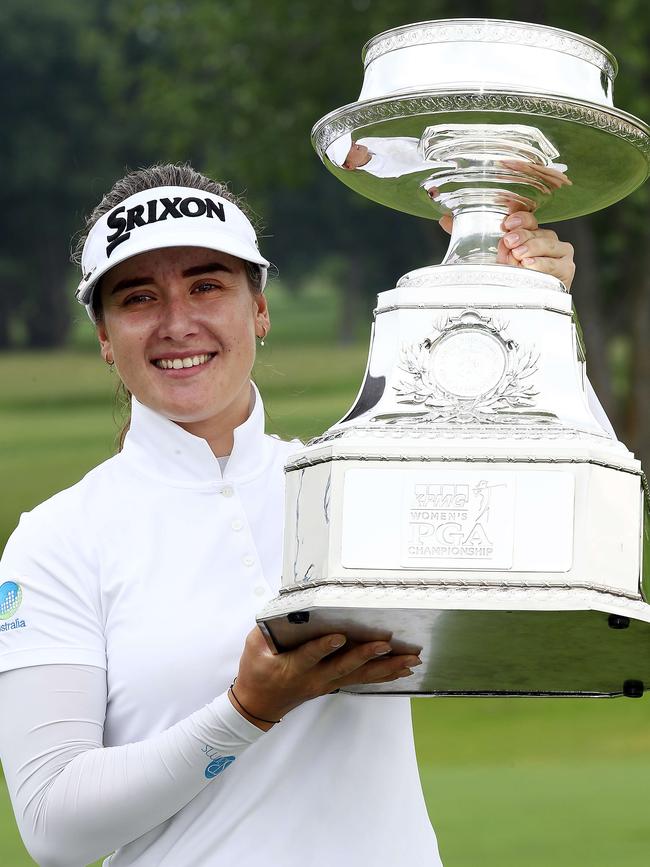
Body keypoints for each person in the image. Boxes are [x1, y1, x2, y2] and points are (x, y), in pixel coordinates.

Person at [0, 162, 579, 867]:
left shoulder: (358, 483)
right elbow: (54, 828)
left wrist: (522, 302)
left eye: (207, 284)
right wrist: (245, 710)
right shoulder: (59, 540)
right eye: (138, 297)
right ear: (103, 335)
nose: (178, 322)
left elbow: (532, 507)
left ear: (260, 309)